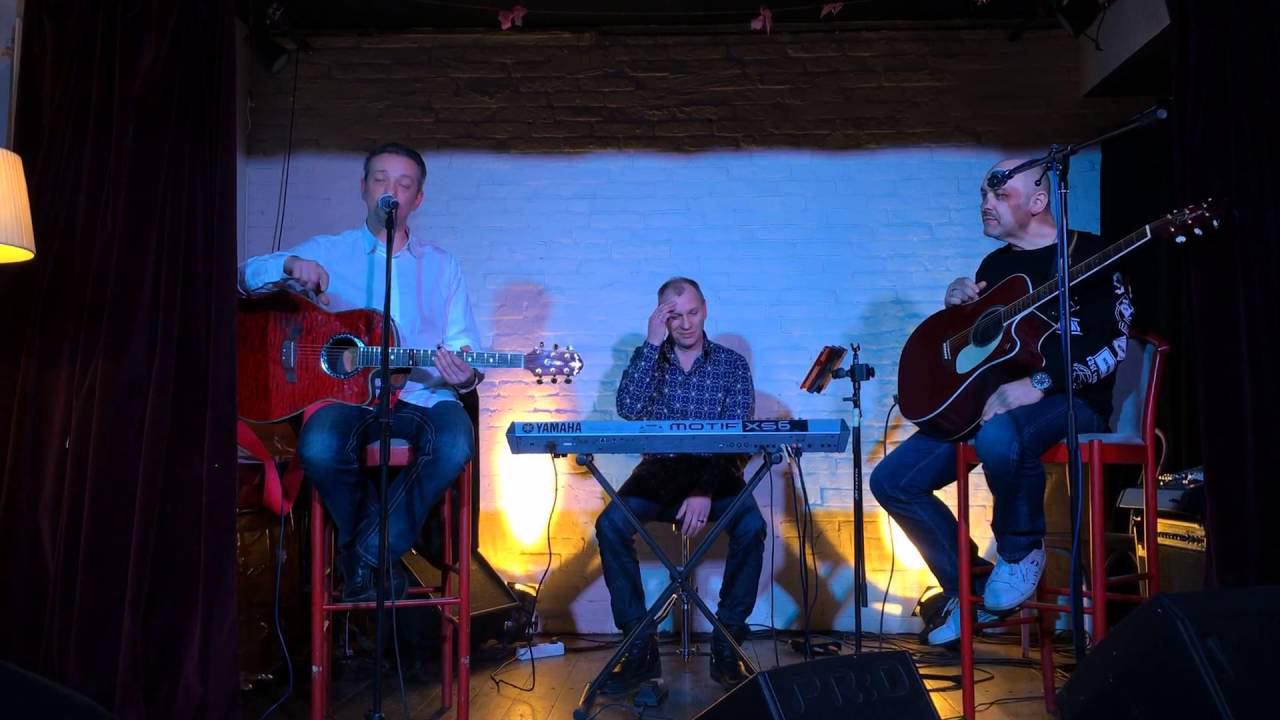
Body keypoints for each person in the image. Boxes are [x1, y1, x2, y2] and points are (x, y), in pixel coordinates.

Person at [870, 158, 1135, 645]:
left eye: (999, 195)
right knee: (892, 480)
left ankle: (1019, 552)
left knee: (998, 436)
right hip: (994, 399)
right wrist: (958, 308)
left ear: (1039, 201)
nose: (985, 205)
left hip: (1072, 400)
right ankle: (974, 591)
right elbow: (985, 350)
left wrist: (1041, 382)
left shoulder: (1091, 253)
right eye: (983, 196)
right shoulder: (995, 267)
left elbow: (1114, 345)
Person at [239, 142, 481, 602]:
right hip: (346, 398)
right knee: (319, 446)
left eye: (404, 184)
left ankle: (364, 554)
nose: (391, 191)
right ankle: (379, 555)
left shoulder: (443, 265)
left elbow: (463, 345)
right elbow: (244, 277)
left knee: (455, 442)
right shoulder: (329, 251)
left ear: (417, 199)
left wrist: (464, 375)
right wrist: (289, 264)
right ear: (364, 188)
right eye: (380, 180)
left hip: (424, 395)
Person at [595, 277, 765, 694]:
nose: (686, 324)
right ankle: (639, 646)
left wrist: (703, 490)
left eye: (693, 312)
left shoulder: (731, 365)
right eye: (675, 316)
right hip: (659, 473)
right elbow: (629, 409)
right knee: (610, 524)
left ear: (705, 310)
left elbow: (736, 441)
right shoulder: (649, 358)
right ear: (661, 318)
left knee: (752, 526)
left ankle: (727, 641)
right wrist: (651, 344)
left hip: (716, 473)